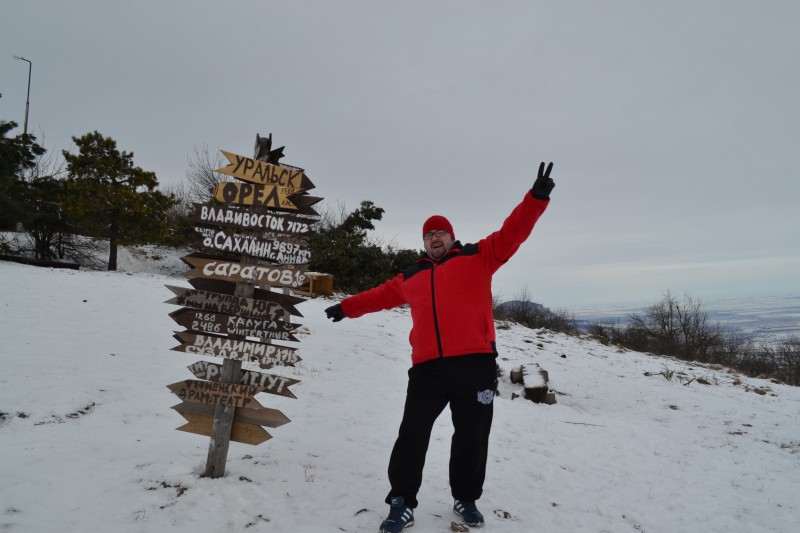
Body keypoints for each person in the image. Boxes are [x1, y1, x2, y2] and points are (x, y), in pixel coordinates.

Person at [325, 162, 555, 532]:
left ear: (451, 236)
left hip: (474, 365)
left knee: (472, 436)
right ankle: (401, 502)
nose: (435, 238)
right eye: (429, 234)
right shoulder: (411, 276)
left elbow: (512, 233)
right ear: (424, 241)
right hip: (428, 370)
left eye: (440, 232)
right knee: (411, 435)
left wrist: (535, 199)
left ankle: (466, 498)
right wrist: (346, 307)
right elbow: (379, 296)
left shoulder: (478, 257)